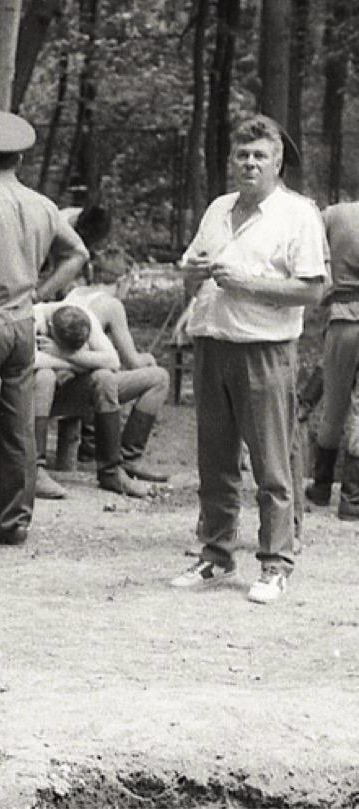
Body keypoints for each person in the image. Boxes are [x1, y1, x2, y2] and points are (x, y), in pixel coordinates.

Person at [170, 114, 327, 604]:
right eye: (242, 155)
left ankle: (276, 563)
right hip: (212, 345)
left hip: (265, 350)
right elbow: (190, 278)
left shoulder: (298, 214)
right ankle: (215, 555)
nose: (250, 163)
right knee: (215, 463)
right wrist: (193, 273)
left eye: (260, 155)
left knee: (271, 464)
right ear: (231, 161)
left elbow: (314, 291)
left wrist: (246, 284)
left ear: (278, 162)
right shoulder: (218, 209)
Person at [0, 110, 89, 544]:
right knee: (18, 428)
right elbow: (78, 253)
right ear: (21, 160)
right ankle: (14, 523)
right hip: (24, 323)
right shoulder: (42, 205)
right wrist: (45, 291)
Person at [52, 287, 171, 484]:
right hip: (71, 387)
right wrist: (148, 358)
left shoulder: (74, 293)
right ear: (124, 280)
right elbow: (131, 361)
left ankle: (104, 453)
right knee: (157, 378)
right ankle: (127, 458)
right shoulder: (111, 305)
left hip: (67, 383)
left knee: (105, 374)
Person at [305, 199, 359, 521]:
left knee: (335, 406)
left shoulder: (334, 214)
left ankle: (322, 486)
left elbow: (313, 256)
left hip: (341, 318)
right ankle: (352, 499)